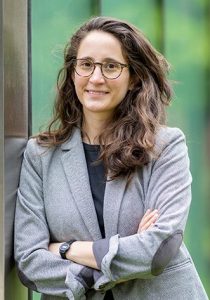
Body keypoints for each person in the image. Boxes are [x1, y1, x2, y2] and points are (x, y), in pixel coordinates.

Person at [14, 16, 208, 300]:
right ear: (72, 73)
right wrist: (118, 258)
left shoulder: (165, 146)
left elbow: (158, 250)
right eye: (86, 65)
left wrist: (66, 249)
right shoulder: (40, 155)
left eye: (111, 66)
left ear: (134, 78)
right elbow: (30, 262)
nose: (96, 78)